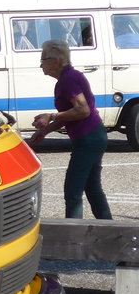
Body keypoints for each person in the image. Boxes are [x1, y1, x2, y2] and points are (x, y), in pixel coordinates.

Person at [29, 39, 112, 219]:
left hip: (89, 138)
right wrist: (45, 130)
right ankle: (110, 230)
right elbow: (70, 114)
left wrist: (51, 116)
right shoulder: (66, 79)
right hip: (93, 136)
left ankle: (73, 236)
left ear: (56, 61)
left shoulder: (69, 79)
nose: (40, 64)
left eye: (43, 59)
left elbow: (82, 110)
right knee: (92, 188)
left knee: (73, 191)